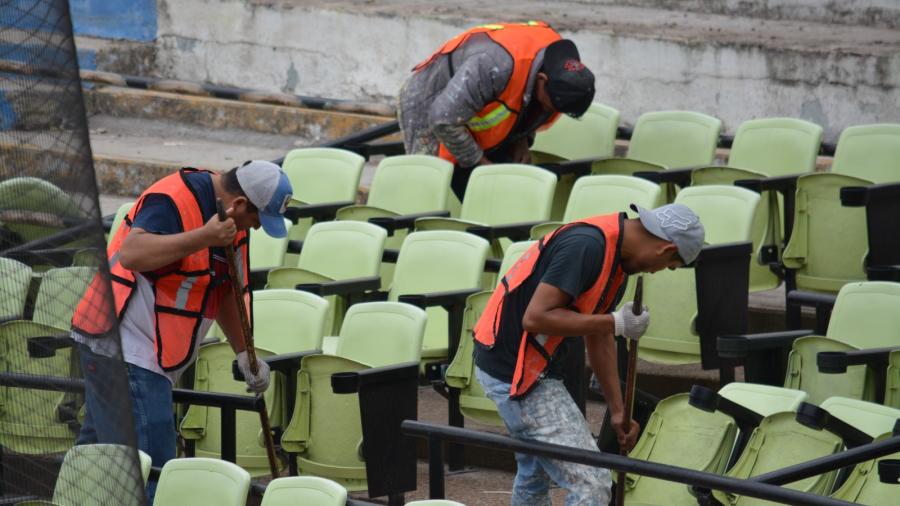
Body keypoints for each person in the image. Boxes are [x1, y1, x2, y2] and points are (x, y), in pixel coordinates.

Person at [70, 160, 292, 501]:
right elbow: (132, 252)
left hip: (139, 353)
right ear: (240, 205)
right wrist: (203, 236)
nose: (258, 228)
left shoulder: (233, 225)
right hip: (126, 350)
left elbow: (226, 292)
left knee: (97, 463)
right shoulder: (173, 197)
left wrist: (244, 353)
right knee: (150, 475)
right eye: (257, 220)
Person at [473, 203, 705, 505]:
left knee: (535, 473)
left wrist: (618, 409)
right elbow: (536, 317)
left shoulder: (618, 262)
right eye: (670, 264)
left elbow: (599, 335)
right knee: (592, 485)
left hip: (528, 364)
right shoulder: (588, 246)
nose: (659, 271)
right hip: (515, 371)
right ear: (666, 249)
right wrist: (616, 322)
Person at [398, 21, 596, 199]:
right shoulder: (494, 67)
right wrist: (482, 164)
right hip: (429, 99)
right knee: (428, 187)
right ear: (542, 80)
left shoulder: (558, 66)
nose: (550, 111)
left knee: (499, 185)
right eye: (551, 106)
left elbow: (526, 100)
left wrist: (522, 140)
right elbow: (442, 119)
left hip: (471, 103)